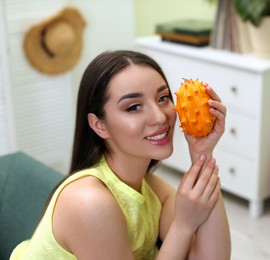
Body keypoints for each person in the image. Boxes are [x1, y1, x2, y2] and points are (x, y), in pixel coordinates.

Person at [11, 50, 231, 259]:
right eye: (134, 107)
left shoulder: (153, 190)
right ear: (99, 125)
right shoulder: (90, 203)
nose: (159, 117)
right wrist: (183, 226)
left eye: (162, 98)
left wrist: (202, 153)